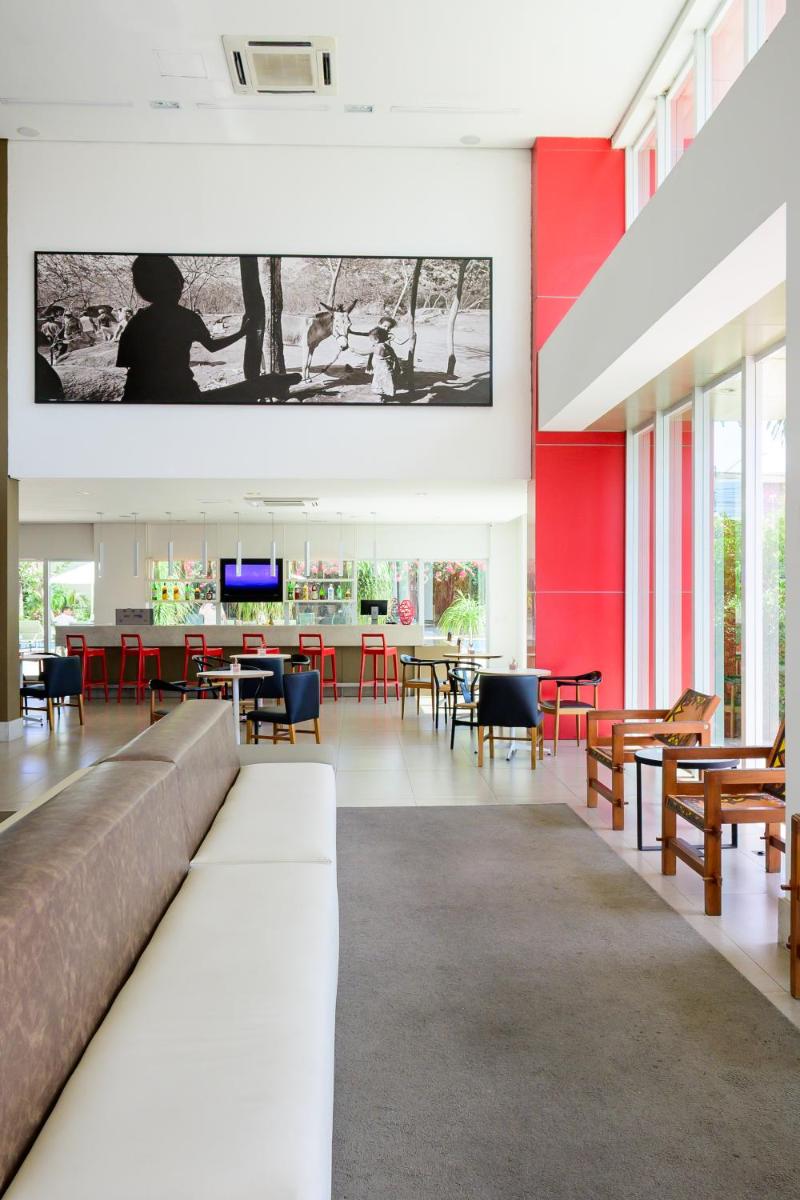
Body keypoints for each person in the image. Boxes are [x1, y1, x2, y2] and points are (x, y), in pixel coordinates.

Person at [117, 255, 249, 403]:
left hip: (138, 394)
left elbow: (127, 363)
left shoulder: (137, 322)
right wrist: (242, 333)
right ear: (176, 283)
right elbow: (212, 346)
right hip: (180, 391)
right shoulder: (188, 318)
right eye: (178, 280)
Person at [370, 327, 397, 401]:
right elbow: (393, 356)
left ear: (376, 339)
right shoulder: (387, 346)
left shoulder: (379, 347)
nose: (371, 341)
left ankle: (381, 399)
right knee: (385, 383)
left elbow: (365, 352)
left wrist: (354, 350)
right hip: (385, 369)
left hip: (381, 371)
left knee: (380, 383)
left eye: (372, 340)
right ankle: (385, 396)